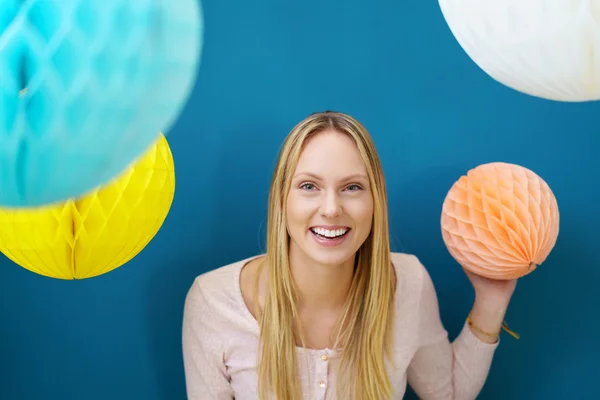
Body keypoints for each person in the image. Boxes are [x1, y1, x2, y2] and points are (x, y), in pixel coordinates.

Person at [182, 111, 518, 400]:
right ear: (281, 199)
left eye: (352, 187)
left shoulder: (409, 282)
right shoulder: (213, 302)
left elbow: (449, 394)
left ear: (375, 202)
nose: (331, 209)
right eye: (309, 186)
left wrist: (491, 300)